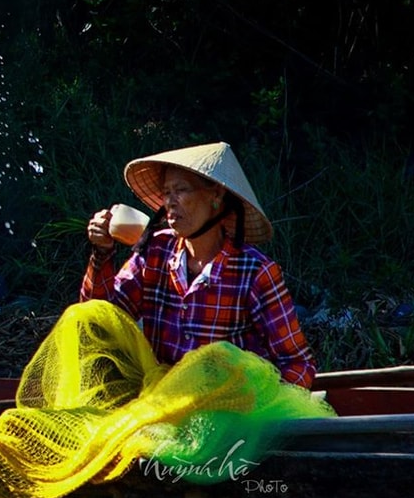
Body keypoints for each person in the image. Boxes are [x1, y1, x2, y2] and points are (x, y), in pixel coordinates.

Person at [81, 141, 316, 389]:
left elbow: (297, 363)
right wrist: (102, 252)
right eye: (166, 192)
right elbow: (100, 320)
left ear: (215, 195)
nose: (170, 202)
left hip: (231, 408)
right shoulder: (155, 251)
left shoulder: (254, 271)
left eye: (181, 190)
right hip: (163, 402)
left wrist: (265, 405)